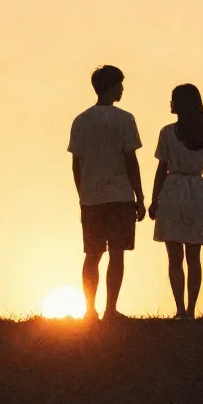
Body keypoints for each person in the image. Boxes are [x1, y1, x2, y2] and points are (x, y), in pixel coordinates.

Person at [68, 64, 145, 320]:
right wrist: (140, 195)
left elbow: (76, 164)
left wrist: (82, 193)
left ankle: (90, 310)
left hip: (91, 197)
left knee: (92, 254)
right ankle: (110, 309)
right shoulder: (125, 119)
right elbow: (131, 160)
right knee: (116, 253)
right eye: (120, 84)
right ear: (111, 87)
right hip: (120, 196)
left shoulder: (81, 120)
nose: (122, 89)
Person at [148, 84, 203, 319]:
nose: (170, 103)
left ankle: (180, 309)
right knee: (193, 257)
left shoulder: (167, 133)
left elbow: (161, 169)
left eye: (173, 99)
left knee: (174, 257)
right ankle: (190, 310)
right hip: (197, 192)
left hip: (173, 191)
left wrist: (155, 200)